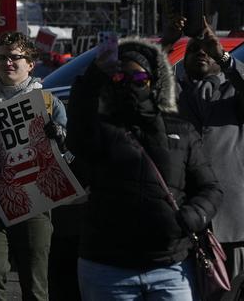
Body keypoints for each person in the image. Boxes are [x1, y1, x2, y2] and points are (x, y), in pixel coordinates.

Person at [68, 35, 223, 300]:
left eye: (139, 80)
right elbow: (79, 122)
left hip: (171, 267)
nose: (131, 85)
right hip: (107, 269)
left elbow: (211, 188)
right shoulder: (98, 131)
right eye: (121, 79)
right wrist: (96, 72)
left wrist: (193, 216)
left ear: (153, 83)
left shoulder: (181, 131)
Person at [0, 32, 66, 301]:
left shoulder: (49, 103)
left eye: (15, 57)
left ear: (30, 64)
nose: (8, 62)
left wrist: (59, 138)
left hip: (36, 202)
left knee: (35, 283)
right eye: (3, 57)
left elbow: (71, 155)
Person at [177, 20, 244, 285]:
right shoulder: (174, 94)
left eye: (207, 49)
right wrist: (168, 41)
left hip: (231, 226)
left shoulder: (234, 93)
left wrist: (223, 56)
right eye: (194, 49)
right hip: (184, 222)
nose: (201, 52)